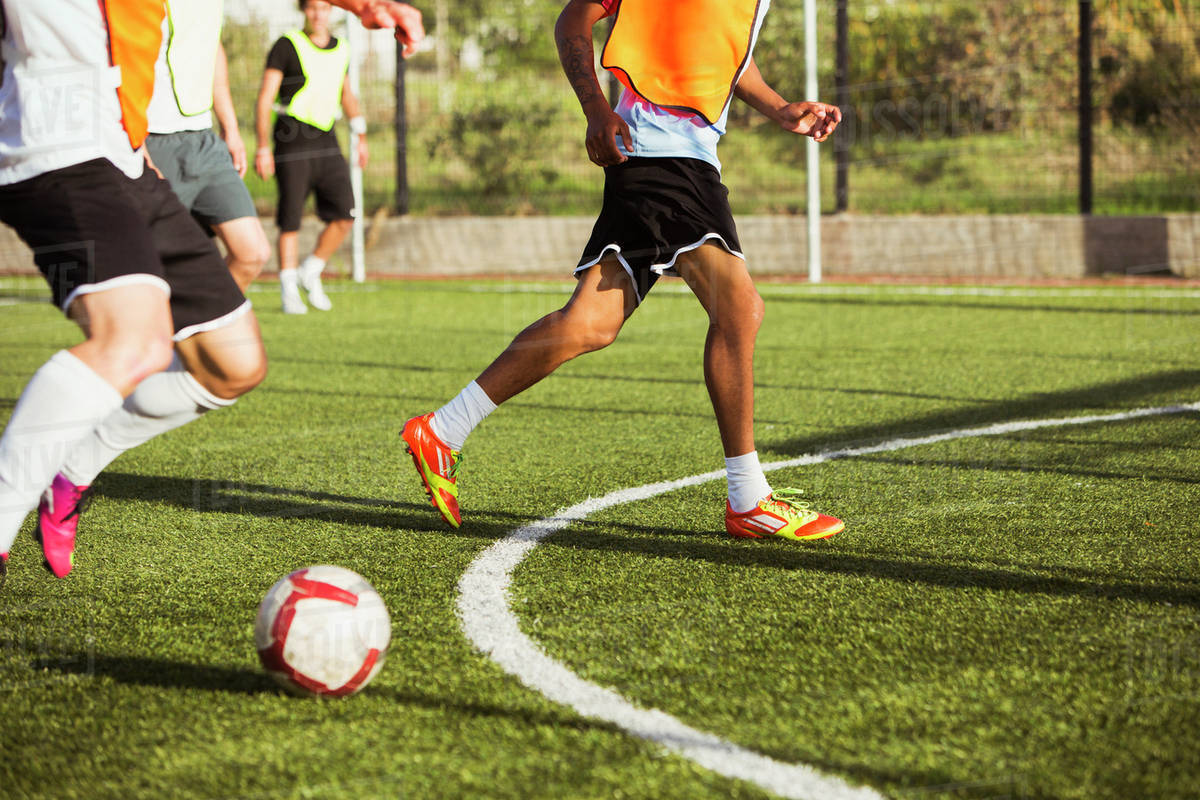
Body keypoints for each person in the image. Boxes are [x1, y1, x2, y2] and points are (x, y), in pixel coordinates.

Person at [0, 0, 423, 585]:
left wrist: (365, 5)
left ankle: (72, 469)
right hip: (54, 148)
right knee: (135, 341)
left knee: (234, 364)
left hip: (127, 155)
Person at [401, 0, 844, 542]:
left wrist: (779, 109)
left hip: (672, 155)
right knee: (739, 310)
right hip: (664, 155)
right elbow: (573, 19)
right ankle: (748, 500)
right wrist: (595, 109)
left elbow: (722, 52)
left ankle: (442, 430)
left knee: (588, 324)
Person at [145, 0, 271, 292]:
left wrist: (231, 128)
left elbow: (211, 47)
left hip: (204, 140)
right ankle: (164, 334)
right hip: (151, 140)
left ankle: (190, 328)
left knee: (252, 254)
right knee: (155, 269)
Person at [255, 0, 369, 315]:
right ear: (303, 10)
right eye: (312, 8)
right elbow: (266, 98)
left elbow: (347, 95)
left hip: (327, 139)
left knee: (345, 215)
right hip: (291, 140)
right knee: (290, 218)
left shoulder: (342, 48)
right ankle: (288, 287)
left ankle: (311, 269)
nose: (318, 14)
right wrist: (262, 146)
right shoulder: (286, 45)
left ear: (331, 11)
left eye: (324, 8)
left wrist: (360, 134)